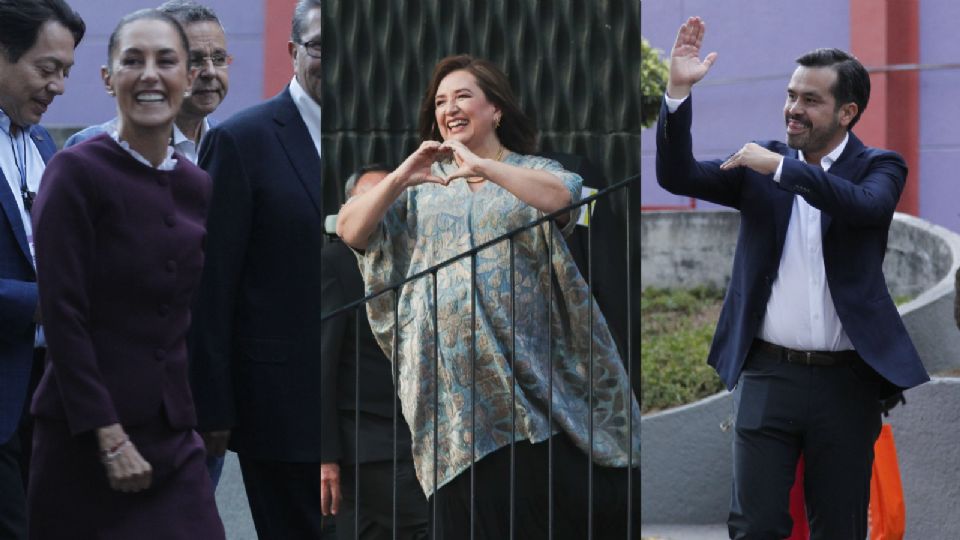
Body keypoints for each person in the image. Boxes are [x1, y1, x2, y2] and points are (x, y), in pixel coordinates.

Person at [336, 54, 641, 540]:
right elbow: (352, 230)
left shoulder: (534, 169)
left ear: (495, 109)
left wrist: (482, 165)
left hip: (532, 380)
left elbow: (564, 197)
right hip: (451, 394)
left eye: (462, 96)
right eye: (440, 101)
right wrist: (400, 176)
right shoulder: (421, 189)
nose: (450, 109)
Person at [655, 16, 930, 538]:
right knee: (754, 525)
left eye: (810, 99)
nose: (793, 109)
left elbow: (866, 207)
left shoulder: (879, 166)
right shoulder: (761, 164)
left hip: (846, 383)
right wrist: (676, 93)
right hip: (767, 376)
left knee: (839, 527)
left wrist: (782, 169)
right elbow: (677, 175)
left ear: (847, 112)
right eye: (790, 95)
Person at [27, 9, 224, 539]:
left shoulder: (196, 185)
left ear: (187, 77)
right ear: (109, 79)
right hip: (85, 437)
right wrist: (109, 437)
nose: (150, 74)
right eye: (132, 61)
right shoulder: (75, 172)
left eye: (166, 60)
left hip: (172, 436)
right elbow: (62, 315)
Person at [188, 1, 335, 538]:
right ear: (294, 51)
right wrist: (213, 406)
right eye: (322, 45)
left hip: (374, 400)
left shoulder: (385, 139)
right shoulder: (242, 140)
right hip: (281, 405)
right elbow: (213, 284)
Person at [0, 1, 84, 537]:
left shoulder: (39, 142)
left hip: (47, 397)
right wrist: (45, 304)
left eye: (65, 72)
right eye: (45, 69)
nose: (57, 87)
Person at [321, 165, 429, 540]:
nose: (380, 210)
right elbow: (320, 366)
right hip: (372, 444)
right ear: (347, 209)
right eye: (369, 200)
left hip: (406, 436)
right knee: (431, 527)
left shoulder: (410, 260)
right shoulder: (334, 264)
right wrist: (326, 456)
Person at [63, 0, 230, 164]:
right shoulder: (87, 152)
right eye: (195, 59)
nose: (210, 72)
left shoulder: (232, 142)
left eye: (218, 58)